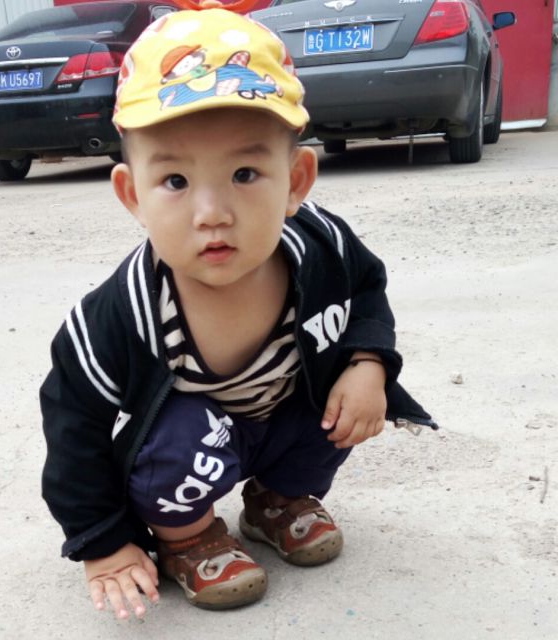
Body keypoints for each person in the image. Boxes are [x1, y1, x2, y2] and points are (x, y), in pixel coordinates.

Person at [40, 7, 436, 620]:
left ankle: (277, 498)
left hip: (285, 416)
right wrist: (102, 541)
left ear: (296, 179)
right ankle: (188, 538)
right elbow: (74, 426)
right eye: (175, 181)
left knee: (338, 398)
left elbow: (366, 289)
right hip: (192, 447)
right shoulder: (121, 315)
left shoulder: (321, 247)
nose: (212, 213)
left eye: (245, 173)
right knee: (177, 439)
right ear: (132, 194)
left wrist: (368, 363)